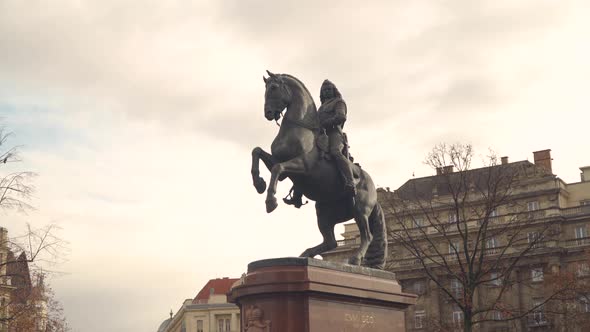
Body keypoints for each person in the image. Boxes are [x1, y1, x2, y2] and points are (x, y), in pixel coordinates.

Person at [284, 79, 355, 208]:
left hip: (334, 134)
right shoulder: (320, 108)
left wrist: (325, 123)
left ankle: (350, 182)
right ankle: (297, 196)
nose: (327, 92)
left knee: (335, 152)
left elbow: (341, 117)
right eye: (324, 90)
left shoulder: (339, 102)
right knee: (304, 158)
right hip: (320, 135)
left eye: (329, 89)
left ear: (334, 91)